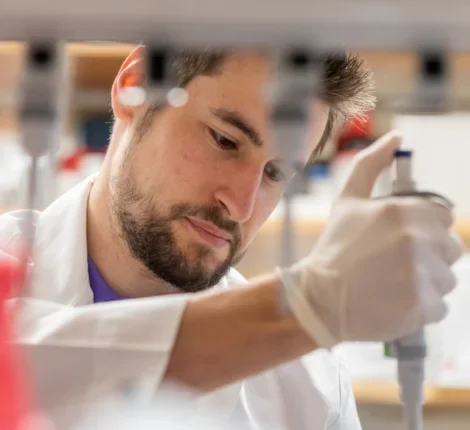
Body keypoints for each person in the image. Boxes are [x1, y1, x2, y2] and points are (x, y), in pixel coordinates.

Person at [0, 46, 463, 429]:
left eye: (277, 173)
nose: (241, 205)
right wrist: (306, 308)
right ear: (135, 87)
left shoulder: (309, 389)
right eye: (224, 140)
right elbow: (28, 364)